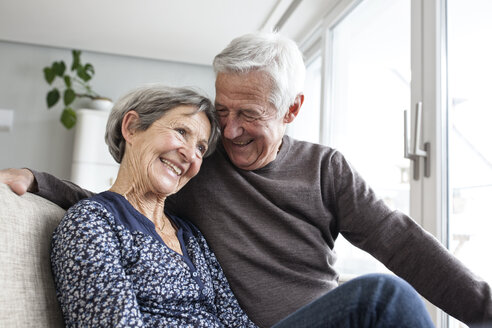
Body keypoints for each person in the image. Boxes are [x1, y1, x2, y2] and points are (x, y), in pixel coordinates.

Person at [1, 31, 491, 327]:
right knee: (382, 296)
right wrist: (41, 182)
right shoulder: (196, 168)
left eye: (249, 114)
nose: (227, 133)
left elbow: (402, 241)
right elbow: (123, 204)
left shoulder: (323, 170)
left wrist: (484, 309)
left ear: (291, 109)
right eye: (223, 111)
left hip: (325, 320)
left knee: (379, 294)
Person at [49, 85, 259, 326]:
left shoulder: (190, 235)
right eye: (181, 131)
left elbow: (236, 320)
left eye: (200, 148)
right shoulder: (91, 223)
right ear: (131, 127)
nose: (191, 155)